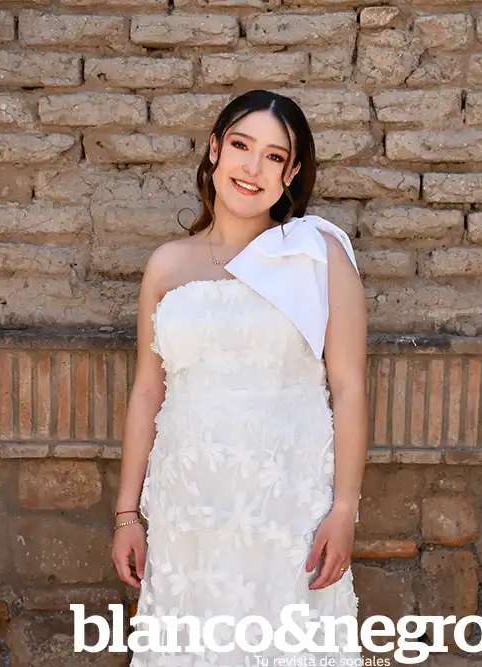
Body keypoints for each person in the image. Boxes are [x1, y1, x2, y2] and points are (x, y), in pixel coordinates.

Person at [111, 89, 369, 667]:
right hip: (188, 514)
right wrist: (128, 514)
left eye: (274, 157)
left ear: (291, 173)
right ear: (214, 150)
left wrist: (344, 510)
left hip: (285, 513)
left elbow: (349, 387)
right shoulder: (167, 265)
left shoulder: (317, 257)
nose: (253, 168)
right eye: (241, 146)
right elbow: (148, 392)